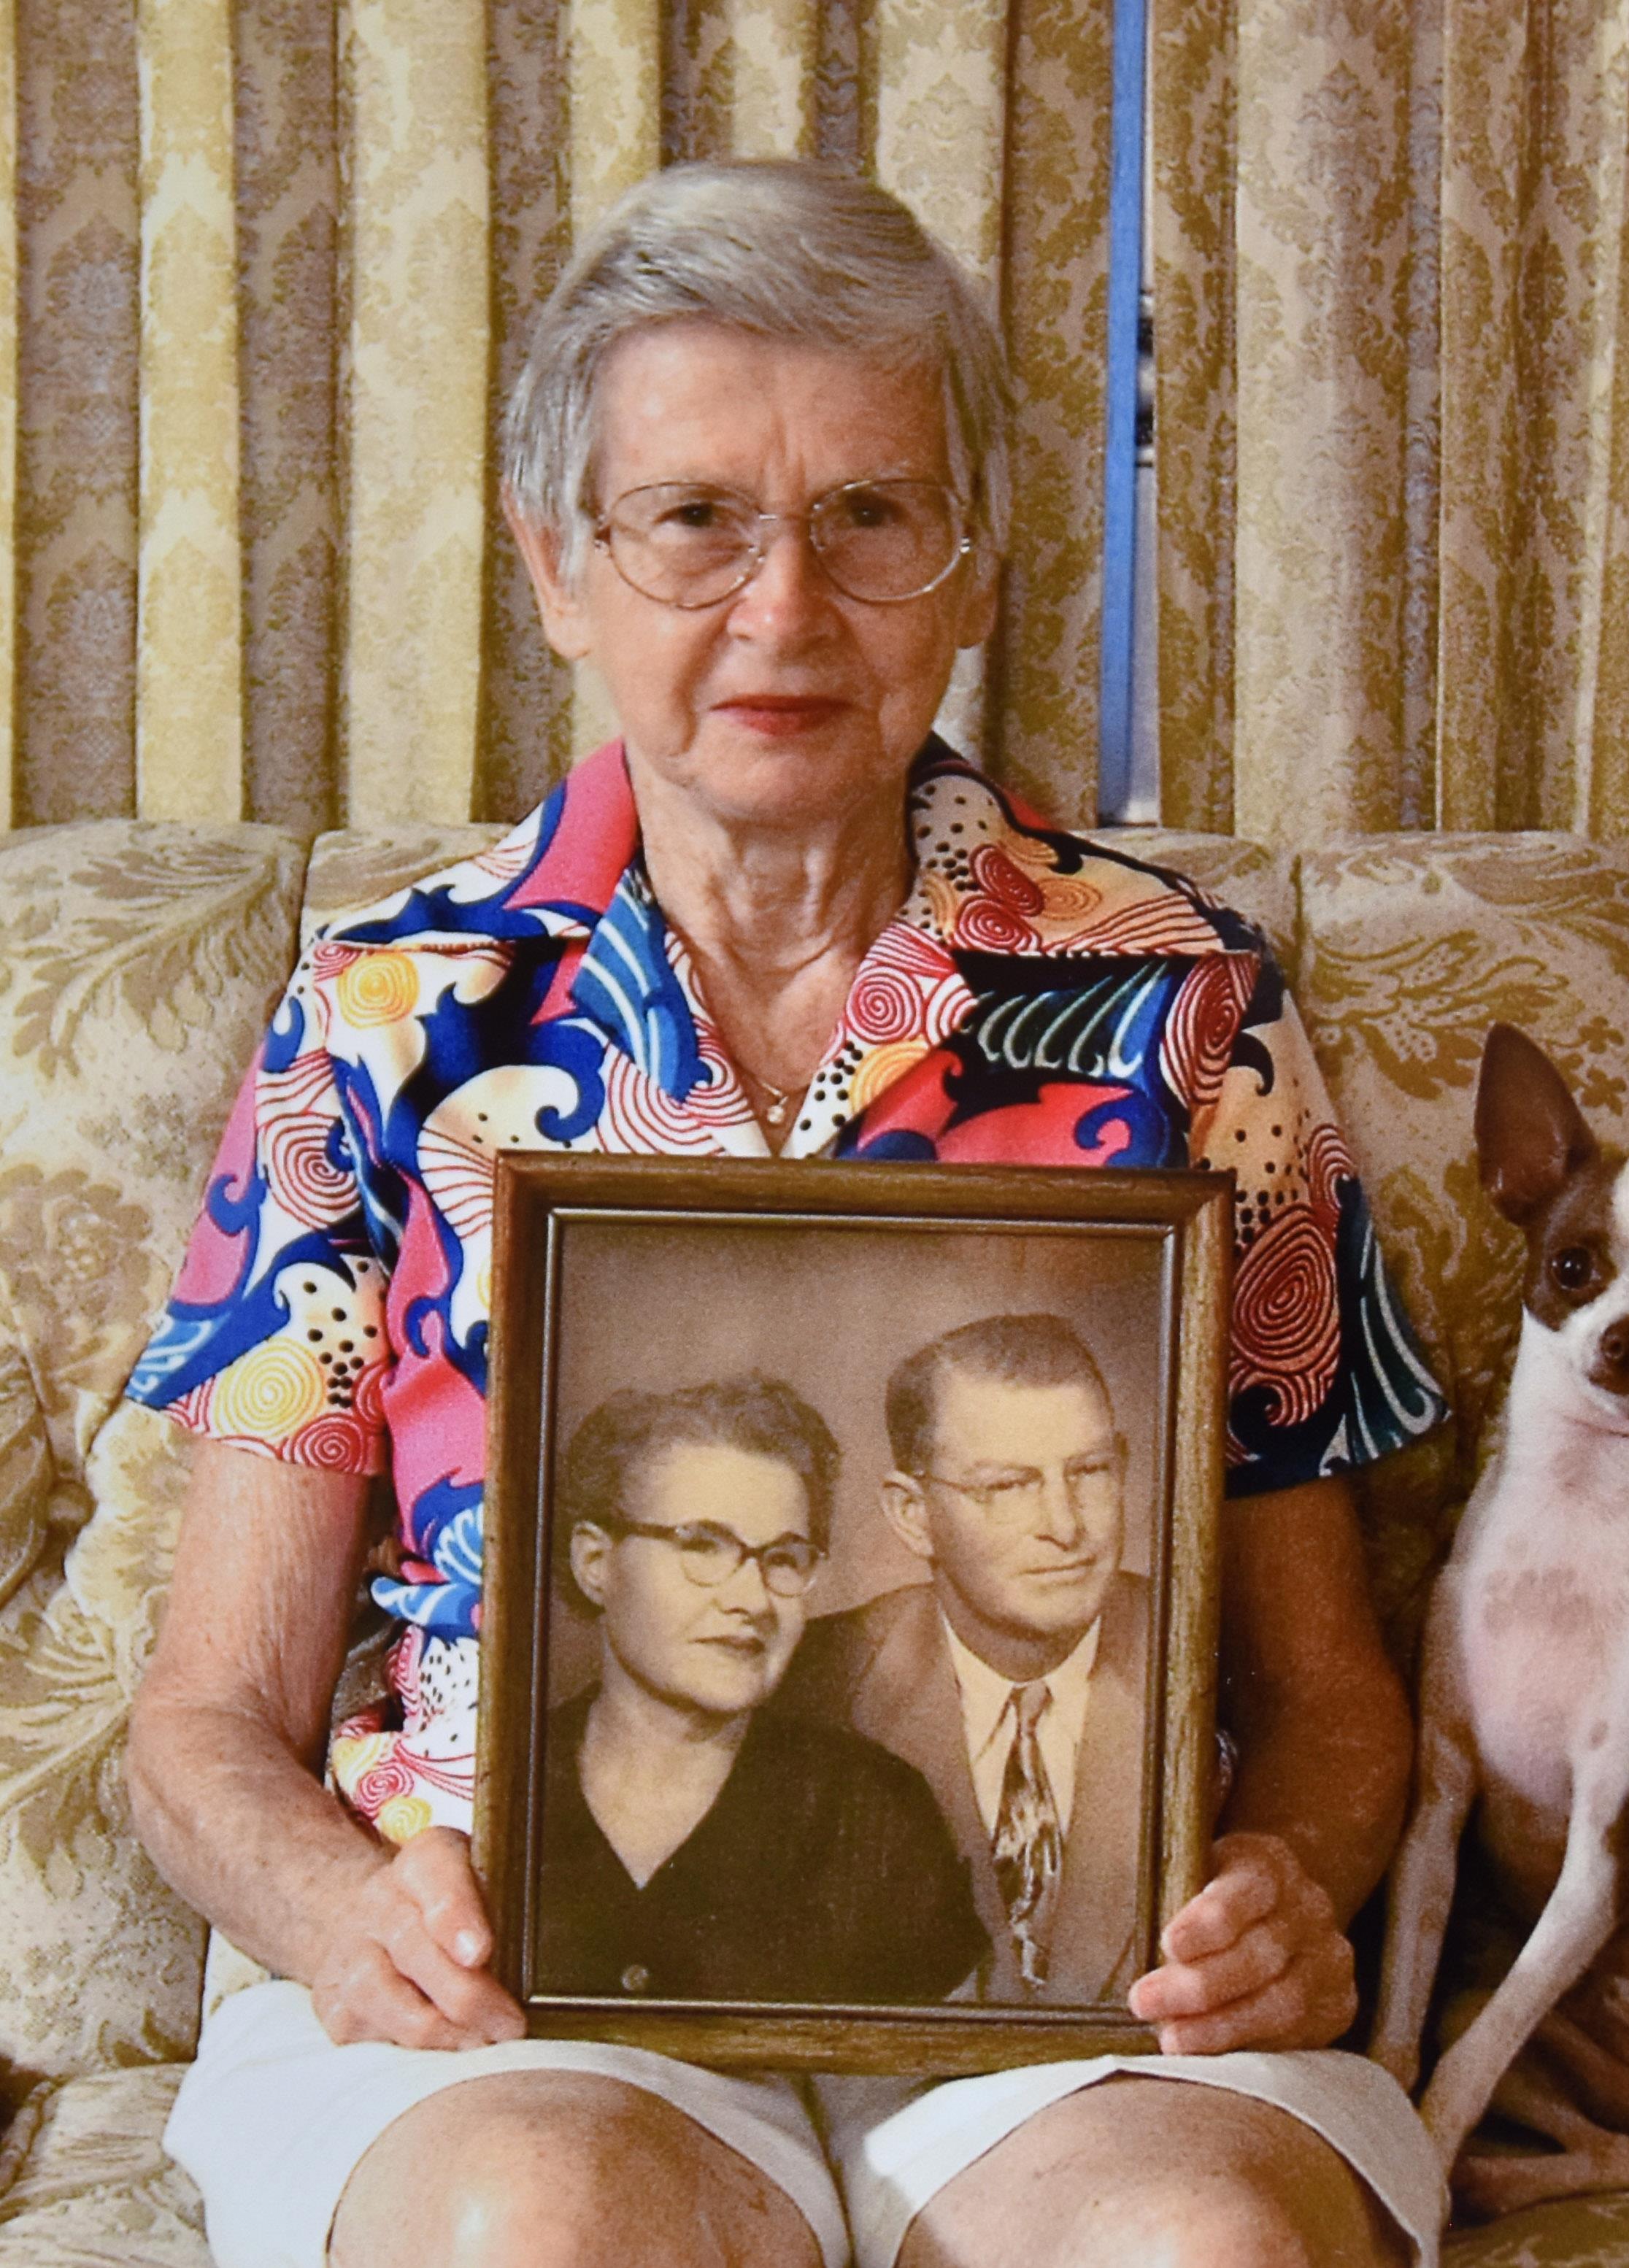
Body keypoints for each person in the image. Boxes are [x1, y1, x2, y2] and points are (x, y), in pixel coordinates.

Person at [123, 158, 1452, 2268]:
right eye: (694, 520)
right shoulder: (377, 1022)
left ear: (975, 568)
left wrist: (1281, 1877)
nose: (782, 610)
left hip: (1064, 1999)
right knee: (536, 2219)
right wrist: (344, 1916)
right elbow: (200, 1725)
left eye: (866, 518)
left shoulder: (1187, 1011)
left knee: (1201, 2242)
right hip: (519, 2000)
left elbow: (1328, 1691)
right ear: (560, 568)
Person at [536, 1377, 985, 2005]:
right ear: (596, 1563)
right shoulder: (503, 1787)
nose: (751, 1600)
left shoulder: (877, 1815)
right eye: (702, 1547)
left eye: (784, 1559)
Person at [780, 1313, 1149, 2005]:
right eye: (1008, 1488)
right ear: (913, 1515)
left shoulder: (1204, 1655)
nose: (1066, 1527)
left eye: (1092, 1472)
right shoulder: (801, 1686)